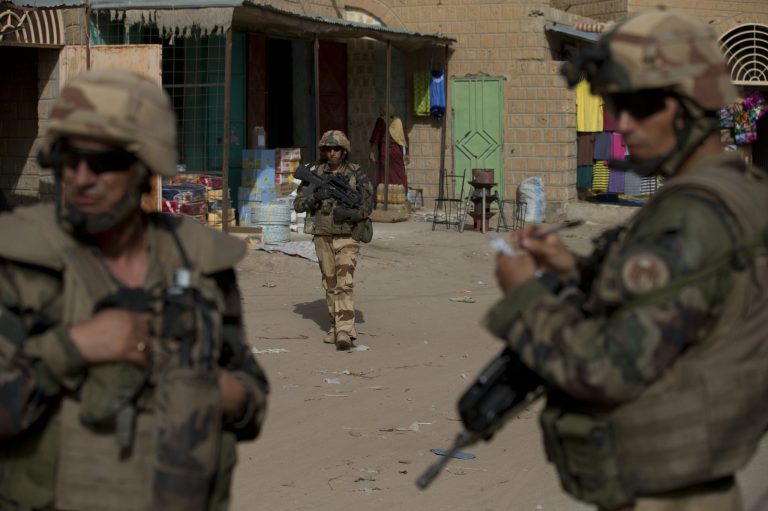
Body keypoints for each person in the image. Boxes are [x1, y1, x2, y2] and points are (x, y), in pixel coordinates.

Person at [483, 8, 767, 511]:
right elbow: (692, 297)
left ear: (694, 104)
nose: (625, 125)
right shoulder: (738, 191)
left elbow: (603, 368)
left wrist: (524, 294)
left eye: (641, 106)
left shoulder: (692, 217)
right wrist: (572, 267)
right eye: (617, 106)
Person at [0, 69, 269, 511]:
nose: (82, 177)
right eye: (70, 159)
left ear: (146, 166)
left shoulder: (197, 261)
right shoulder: (22, 261)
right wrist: (74, 348)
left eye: (104, 162)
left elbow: (250, 395)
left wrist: (222, 392)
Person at [294, 130, 374, 350]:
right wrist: (315, 196)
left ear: (344, 150)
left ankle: (344, 332)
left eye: (336, 149)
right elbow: (298, 205)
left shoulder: (356, 174)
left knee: (344, 283)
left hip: (347, 236)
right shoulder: (315, 172)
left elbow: (368, 206)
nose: (332, 153)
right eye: (328, 149)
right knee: (330, 284)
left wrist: (349, 215)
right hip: (322, 236)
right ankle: (335, 325)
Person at [369, 104, 410, 191]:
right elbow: (405, 138)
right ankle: (401, 194)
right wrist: (407, 153)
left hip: (385, 151)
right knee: (398, 173)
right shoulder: (398, 122)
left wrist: (371, 151)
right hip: (397, 152)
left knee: (385, 174)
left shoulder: (381, 120)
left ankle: (385, 196)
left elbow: (375, 136)